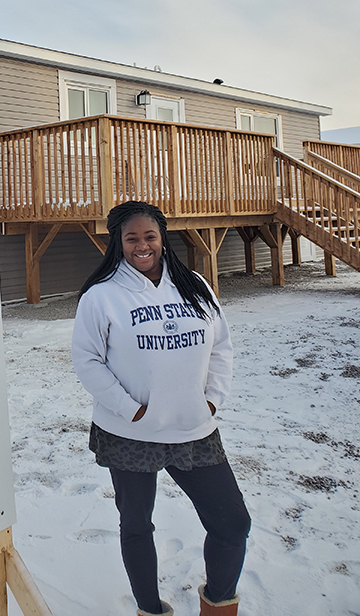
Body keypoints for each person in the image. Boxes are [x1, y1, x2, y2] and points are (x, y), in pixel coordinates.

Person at [71, 201, 250, 616]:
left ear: (162, 238)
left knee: (232, 524)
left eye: (149, 236)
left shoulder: (195, 287)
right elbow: (87, 360)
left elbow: (221, 347)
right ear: (118, 242)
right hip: (131, 433)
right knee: (137, 526)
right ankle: (150, 609)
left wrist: (211, 400)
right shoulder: (102, 296)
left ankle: (219, 605)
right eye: (131, 238)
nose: (142, 246)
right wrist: (129, 409)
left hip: (193, 429)